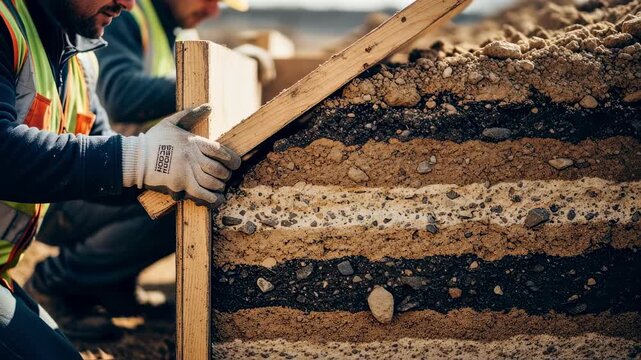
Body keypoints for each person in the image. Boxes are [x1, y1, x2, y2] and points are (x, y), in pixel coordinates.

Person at [0, 0, 241, 357]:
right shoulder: (5, 25)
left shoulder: (80, 62)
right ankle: (65, 280)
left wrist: (172, 172)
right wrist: (143, 158)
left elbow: (105, 167)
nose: (129, 4)